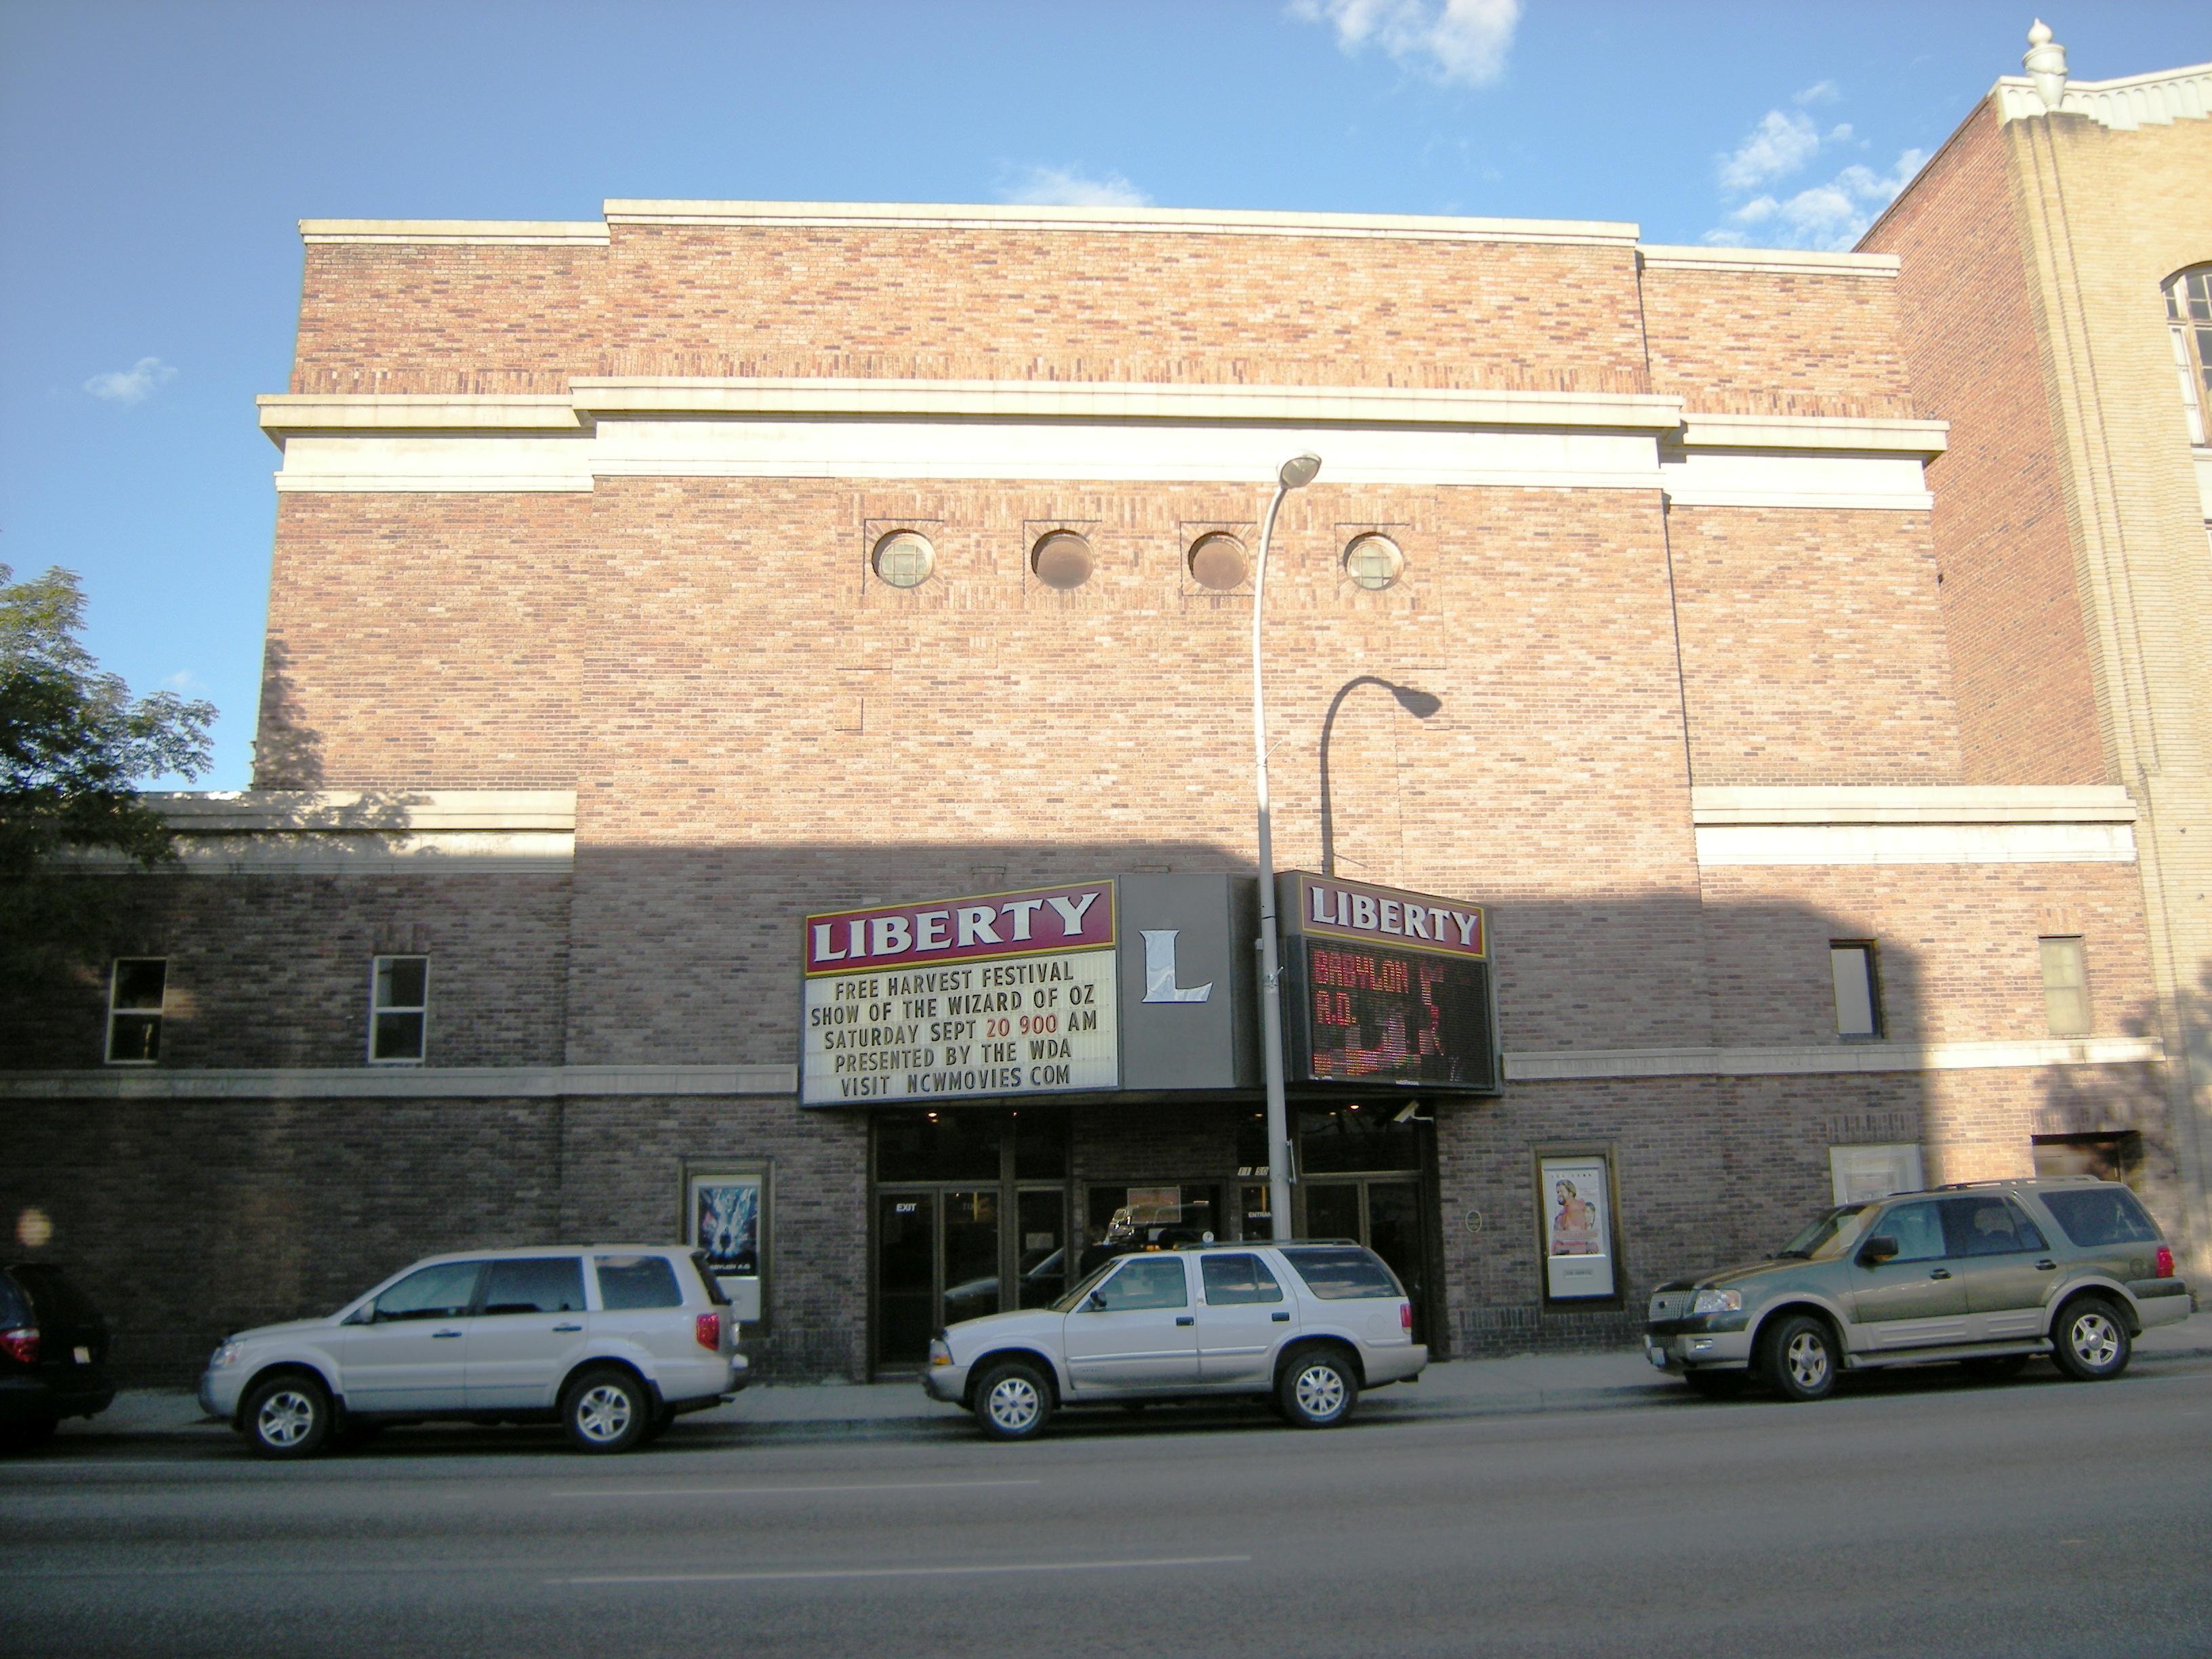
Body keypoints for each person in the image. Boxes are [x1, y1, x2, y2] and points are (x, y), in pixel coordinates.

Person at [1551, 1179, 1599, 1255]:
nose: (1559, 1194)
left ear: (1570, 1193)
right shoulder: (1563, 1214)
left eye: (1562, 1191)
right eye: (1558, 1192)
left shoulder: (1577, 1210)